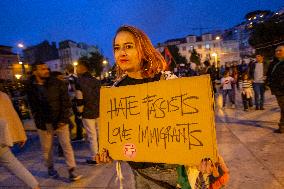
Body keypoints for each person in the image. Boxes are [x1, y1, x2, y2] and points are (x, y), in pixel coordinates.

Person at [112, 25, 229, 189]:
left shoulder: (166, 81)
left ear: (143, 49)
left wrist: (206, 152)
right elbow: (118, 133)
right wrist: (108, 150)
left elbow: (194, 123)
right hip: (139, 171)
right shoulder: (116, 91)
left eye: (128, 46)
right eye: (117, 48)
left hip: (170, 172)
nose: (121, 53)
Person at [25, 62, 82, 181]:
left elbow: (65, 102)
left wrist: (63, 119)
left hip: (61, 121)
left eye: (46, 68)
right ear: (35, 71)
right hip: (44, 123)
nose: (46, 70)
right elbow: (33, 106)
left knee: (66, 145)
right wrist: (39, 121)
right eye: (42, 68)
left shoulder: (57, 83)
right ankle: (50, 168)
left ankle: (72, 170)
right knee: (47, 148)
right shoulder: (30, 86)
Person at [0, 91, 40, 189]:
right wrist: (20, 134)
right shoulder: (3, 95)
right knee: (13, 164)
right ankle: (34, 185)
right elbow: (11, 115)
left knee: (12, 163)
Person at [75, 60, 101, 164]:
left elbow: (79, 100)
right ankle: (103, 154)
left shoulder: (79, 82)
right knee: (100, 134)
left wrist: (79, 113)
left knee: (92, 135)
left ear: (82, 68)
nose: (76, 69)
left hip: (87, 112)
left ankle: (95, 157)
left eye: (77, 67)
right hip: (99, 111)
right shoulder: (96, 80)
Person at [267, 45, 284, 133]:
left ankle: (282, 126)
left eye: (280, 51)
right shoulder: (273, 63)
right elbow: (269, 74)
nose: (278, 52)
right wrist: (269, 83)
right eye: (276, 51)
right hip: (278, 90)